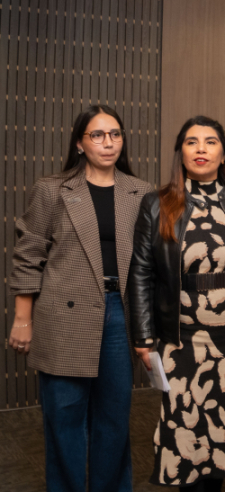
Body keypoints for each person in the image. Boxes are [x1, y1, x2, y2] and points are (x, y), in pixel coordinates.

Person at [8, 105, 152, 492]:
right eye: (98, 135)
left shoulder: (141, 192)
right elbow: (28, 254)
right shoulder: (52, 189)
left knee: (114, 419)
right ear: (79, 143)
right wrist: (23, 319)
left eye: (115, 134)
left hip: (120, 316)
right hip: (63, 317)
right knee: (65, 418)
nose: (108, 143)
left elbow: (150, 264)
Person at [128, 116, 225, 491]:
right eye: (191, 142)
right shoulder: (156, 204)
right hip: (181, 337)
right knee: (186, 427)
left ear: (223, 154)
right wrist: (142, 335)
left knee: (223, 428)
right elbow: (141, 273)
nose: (201, 149)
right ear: (181, 153)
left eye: (210, 142)